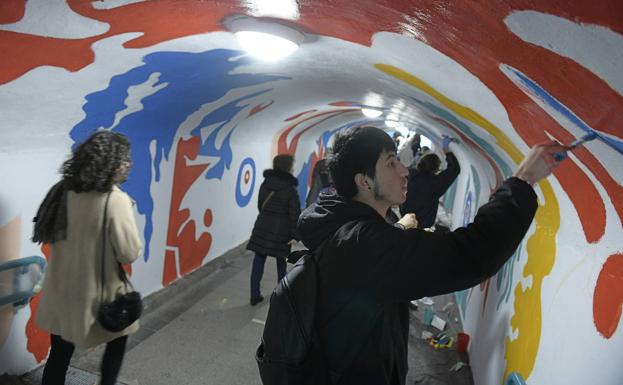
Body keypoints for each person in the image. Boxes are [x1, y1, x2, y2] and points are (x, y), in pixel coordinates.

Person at [297, 126, 565, 385]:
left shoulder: (334, 221)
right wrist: (524, 180)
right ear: (364, 182)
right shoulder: (367, 245)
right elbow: (470, 254)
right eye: (391, 163)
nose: (405, 171)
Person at [34, 131, 142, 385]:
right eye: (125, 160)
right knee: (117, 342)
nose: (129, 164)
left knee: (59, 355)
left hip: (60, 292)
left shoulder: (64, 191)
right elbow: (129, 253)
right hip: (98, 296)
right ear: (111, 162)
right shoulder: (115, 200)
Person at [247, 154, 301, 306]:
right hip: (281, 231)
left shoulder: (266, 183)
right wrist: (295, 234)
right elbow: (294, 214)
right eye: (292, 166)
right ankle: (281, 296)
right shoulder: (290, 189)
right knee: (281, 263)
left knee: (258, 260)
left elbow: (260, 204)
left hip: (262, 226)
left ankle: (254, 295)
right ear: (287, 168)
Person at [402, 135, 460, 229]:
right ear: (436, 169)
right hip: (423, 225)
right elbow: (454, 169)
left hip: (405, 221)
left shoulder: (409, 175)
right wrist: (446, 149)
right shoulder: (436, 183)